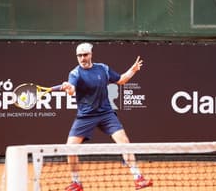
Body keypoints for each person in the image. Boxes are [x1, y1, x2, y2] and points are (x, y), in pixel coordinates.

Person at [61, 42, 153, 191]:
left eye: (85, 55)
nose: (82, 58)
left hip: (105, 114)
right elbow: (72, 90)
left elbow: (121, 80)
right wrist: (68, 88)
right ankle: (76, 182)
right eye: (79, 56)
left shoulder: (103, 68)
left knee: (124, 142)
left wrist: (133, 70)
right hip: (85, 116)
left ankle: (138, 178)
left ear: (91, 54)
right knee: (70, 149)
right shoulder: (75, 73)